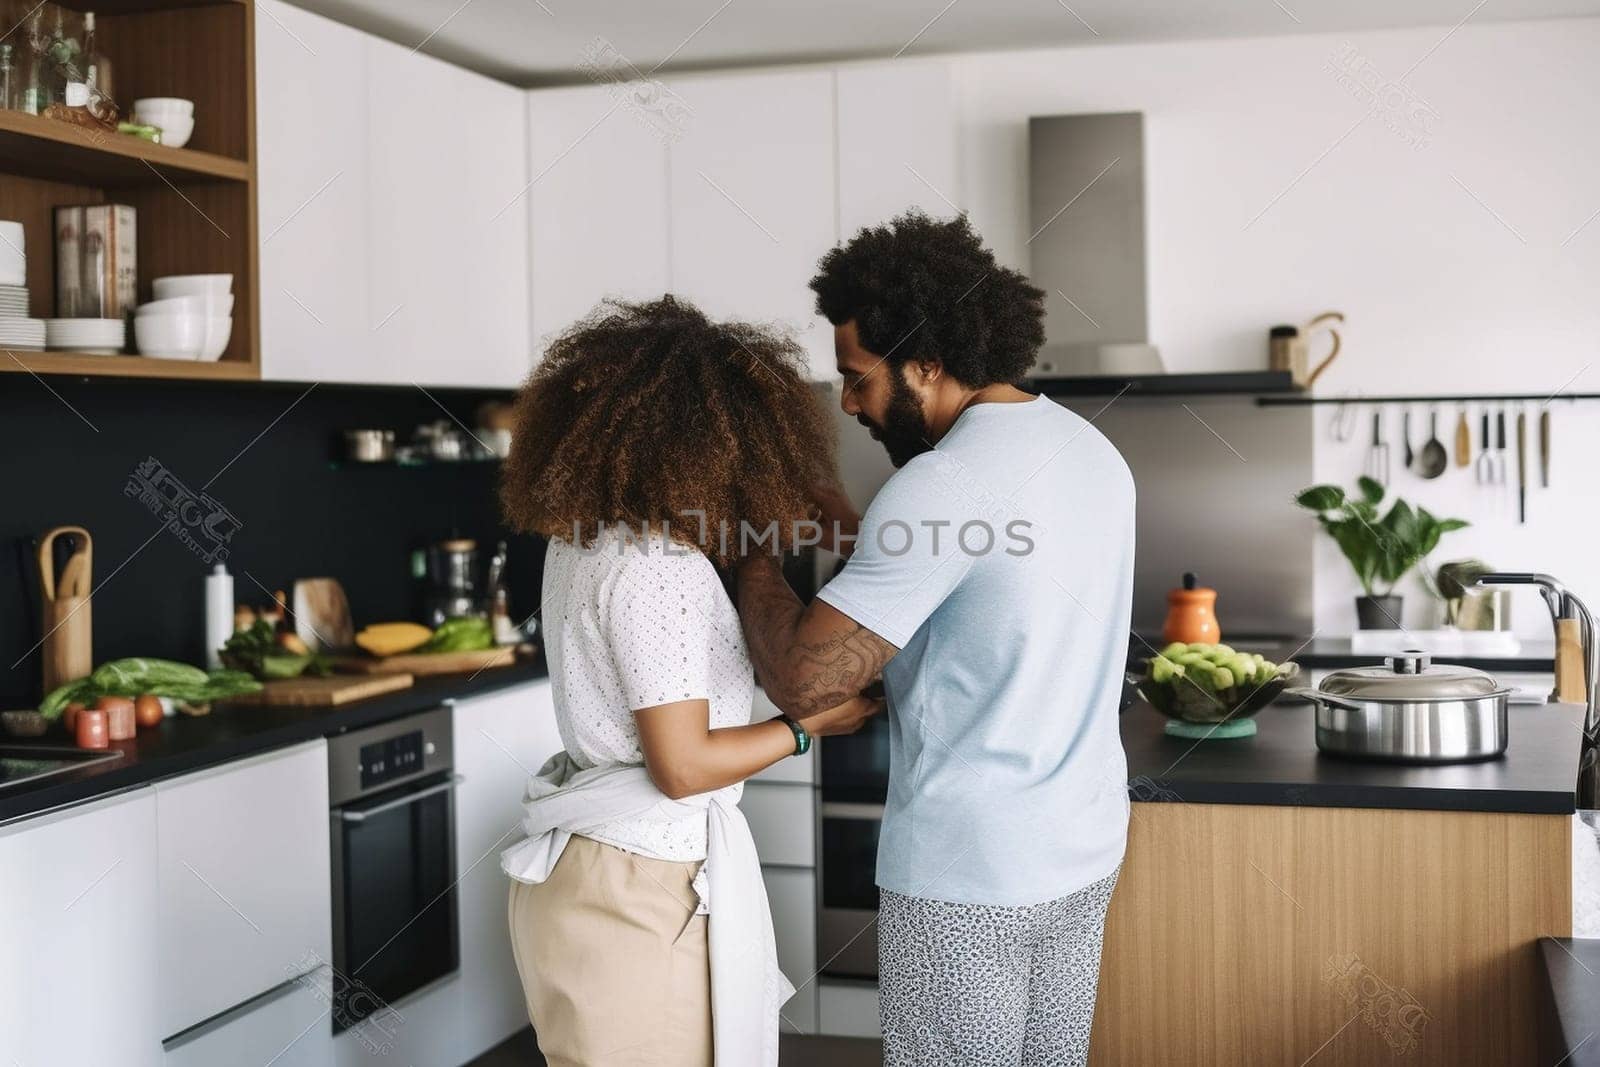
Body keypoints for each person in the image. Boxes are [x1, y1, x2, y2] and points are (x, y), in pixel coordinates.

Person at [737, 211, 1136, 1066]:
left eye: (856, 377)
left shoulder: (941, 482)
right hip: (1082, 851)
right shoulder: (1089, 448)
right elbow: (974, 582)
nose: (847, 402)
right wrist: (847, 530)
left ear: (924, 362)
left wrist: (749, 560)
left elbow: (806, 682)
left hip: (969, 877)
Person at [496, 296, 882, 1067]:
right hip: (636, 891)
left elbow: (828, 532)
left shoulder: (584, 538)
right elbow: (681, 765)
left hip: (593, 876)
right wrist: (808, 725)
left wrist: (821, 511)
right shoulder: (659, 567)